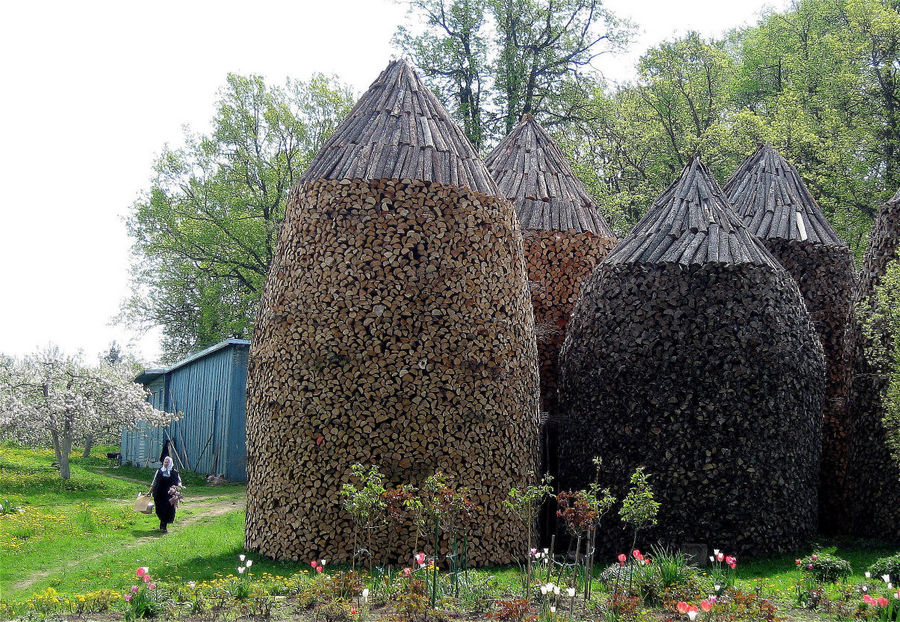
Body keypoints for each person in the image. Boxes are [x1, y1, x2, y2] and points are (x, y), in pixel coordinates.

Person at [149, 456, 183, 532]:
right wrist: (150, 492)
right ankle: (162, 522)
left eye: (167, 462)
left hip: (169, 495)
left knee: (167, 510)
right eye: (165, 462)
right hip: (159, 494)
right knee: (159, 509)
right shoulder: (159, 471)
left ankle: (164, 525)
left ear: (170, 463)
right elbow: (154, 482)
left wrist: (179, 485)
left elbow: (178, 481)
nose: (166, 463)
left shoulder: (174, 472)